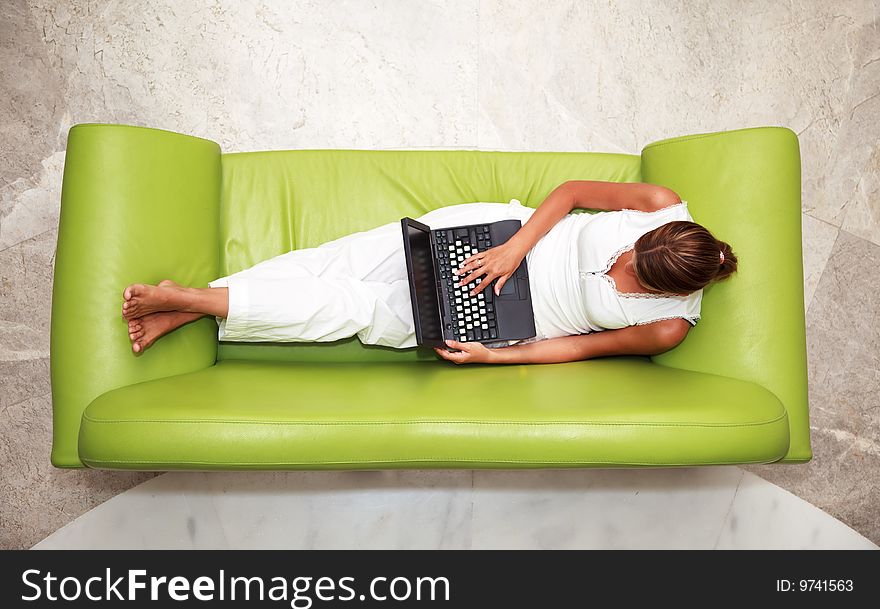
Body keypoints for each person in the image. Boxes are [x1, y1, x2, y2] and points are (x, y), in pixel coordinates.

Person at [121, 180, 737, 364]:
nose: (620, 262)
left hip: (507, 319)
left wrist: (493, 358)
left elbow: (578, 347)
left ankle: (202, 303)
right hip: (497, 237)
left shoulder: (668, 328)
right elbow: (572, 193)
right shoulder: (659, 204)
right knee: (338, 261)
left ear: (667, 290)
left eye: (634, 272)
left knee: (354, 308)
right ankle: (193, 300)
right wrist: (517, 247)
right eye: (633, 249)